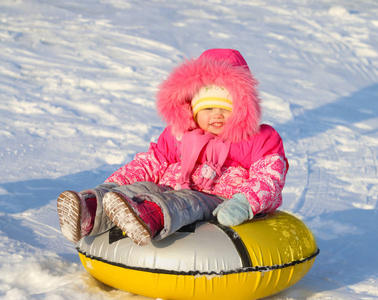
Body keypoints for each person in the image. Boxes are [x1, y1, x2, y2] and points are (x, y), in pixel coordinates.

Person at [57, 49, 288, 246]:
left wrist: (243, 203)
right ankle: (89, 210)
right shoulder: (180, 134)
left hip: (217, 198)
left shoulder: (259, 138)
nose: (217, 115)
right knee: (143, 186)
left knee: (187, 200)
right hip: (168, 187)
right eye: (208, 109)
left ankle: (149, 217)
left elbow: (269, 178)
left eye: (226, 109)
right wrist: (113, 184)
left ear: (242, 110)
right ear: (193, 110)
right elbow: (150, 162)